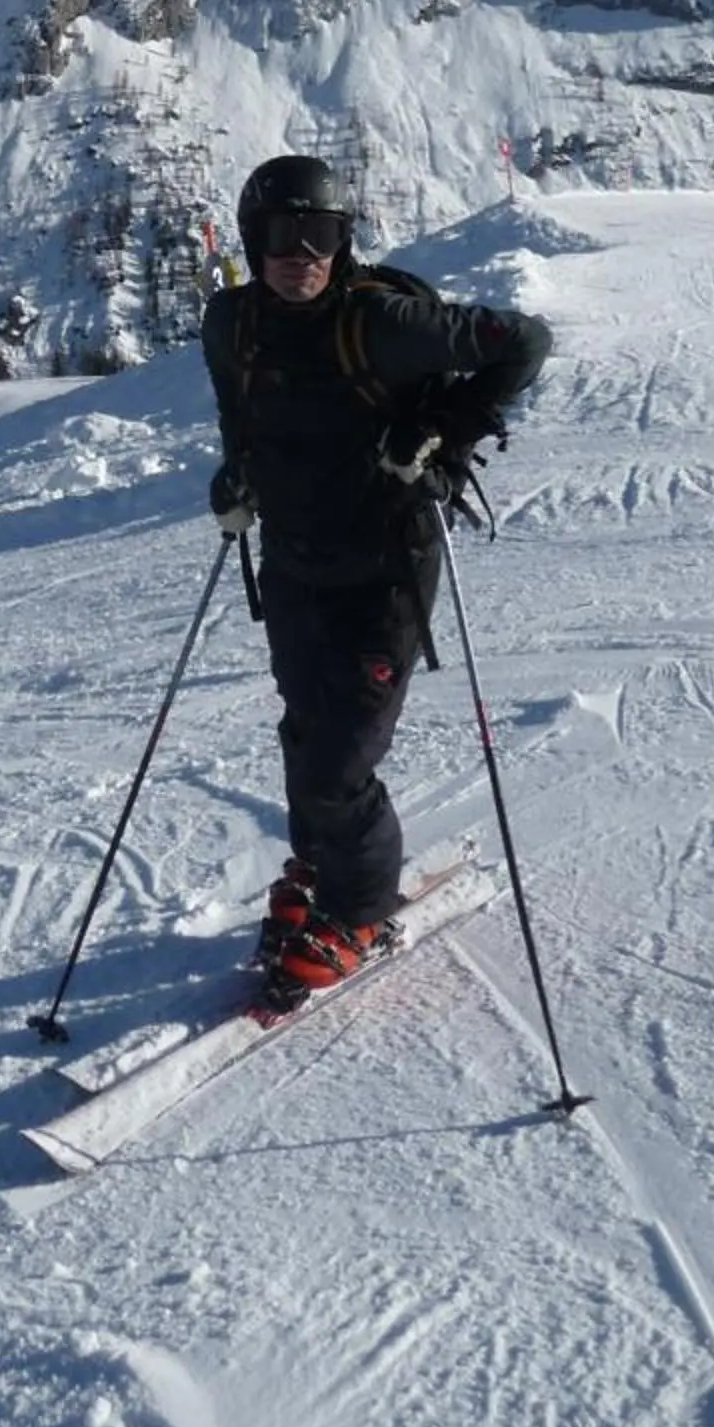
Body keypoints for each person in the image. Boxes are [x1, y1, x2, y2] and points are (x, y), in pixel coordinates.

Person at [202, 153, 552, 992]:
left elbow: (526, 343)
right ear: (251, 240)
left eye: (320, 234)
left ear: (344, 240)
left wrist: (441, 428)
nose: (301, 254)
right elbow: (241, 414)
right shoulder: (232, 324)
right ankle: (323, 864)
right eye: (282, 234)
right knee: (305, 731)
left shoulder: (384, 324)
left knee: (339, 764)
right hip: (293, 562)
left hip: (388, 568)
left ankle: (358, 908)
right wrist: (234, 478)